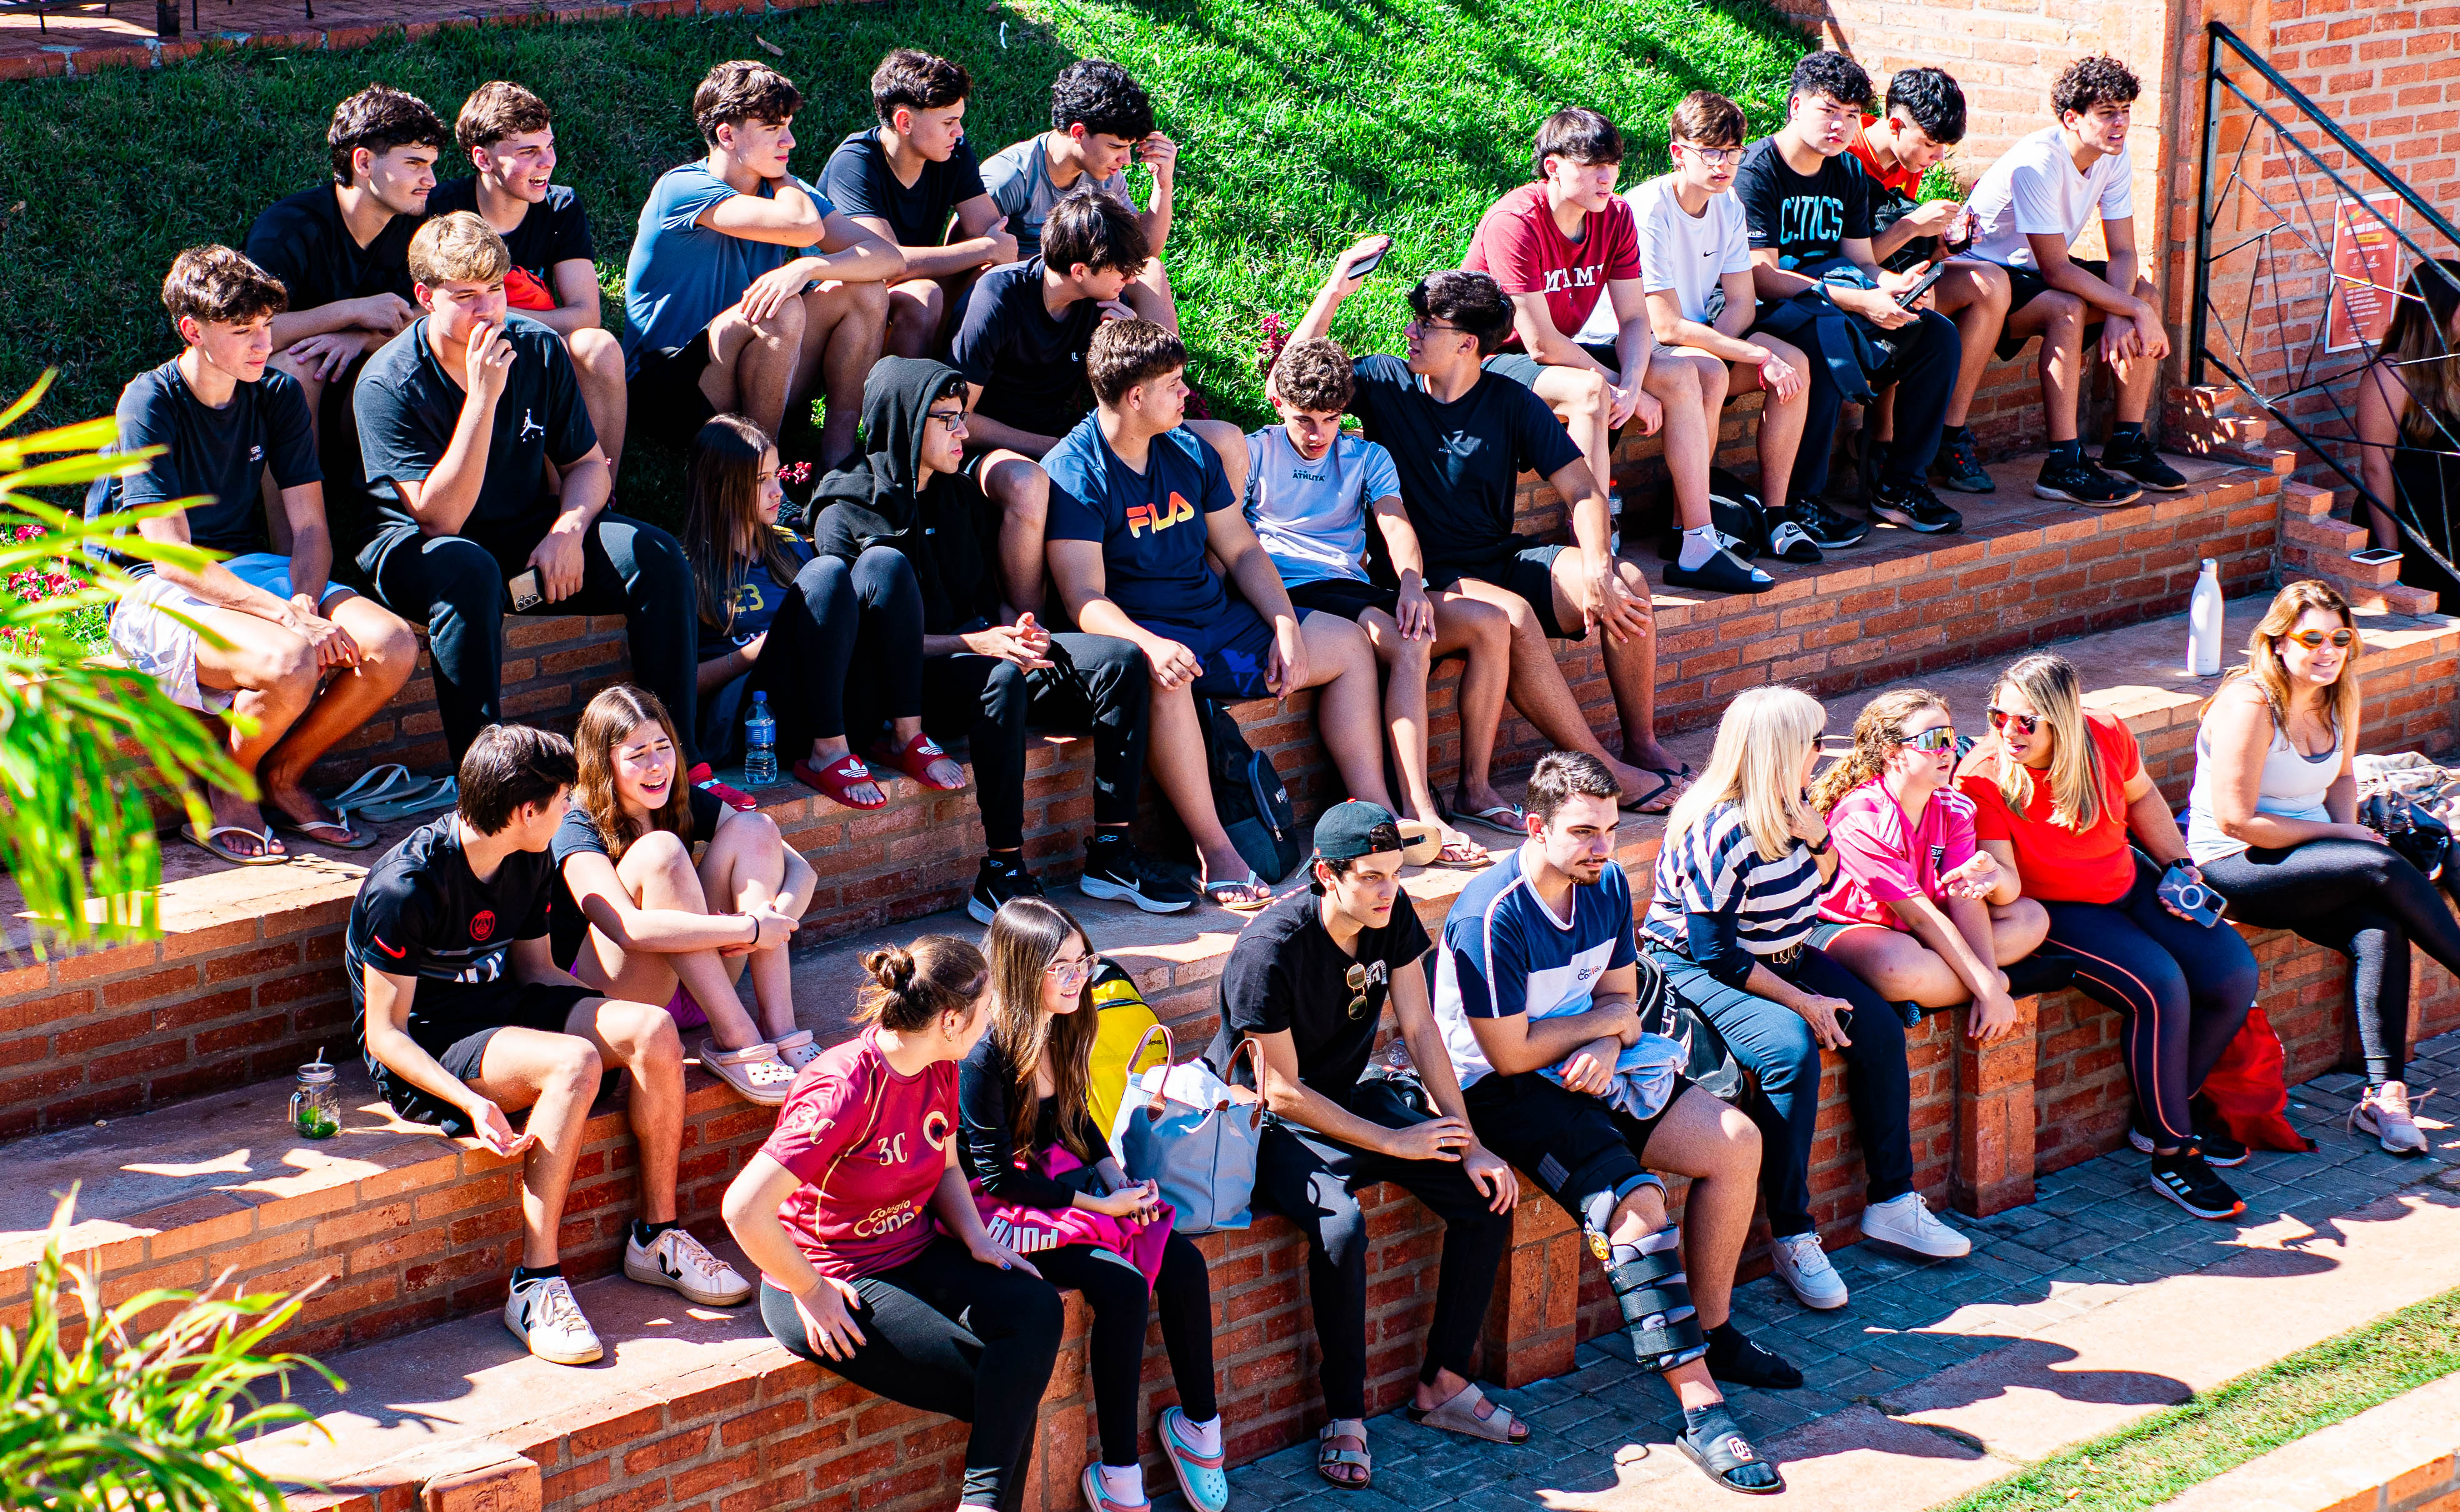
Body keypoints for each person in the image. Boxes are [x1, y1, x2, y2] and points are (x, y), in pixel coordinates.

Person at [1435, 750, 1796, 1496]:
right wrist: (1599, 1028)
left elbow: (1621, 1001)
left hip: (1588, 1063)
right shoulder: (1489, 913)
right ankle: (1701, 1406)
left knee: (1736, 1141)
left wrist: (1604, 1037)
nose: (1603, 844)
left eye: (1608, 826)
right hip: (1498, 1092)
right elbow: (1507, 1052)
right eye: (1583, 831)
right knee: (1637, 1204)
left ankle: (1716, 1333)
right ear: (1534, 828)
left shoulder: (1600, 884)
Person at [350, 724, 754, 1366]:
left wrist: (608, 1011)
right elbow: (385, 1033)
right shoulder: (407, 887)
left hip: (505, 1007)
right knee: (576, 1061)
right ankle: (534, 1282)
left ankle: (656, 1236)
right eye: (565, 798)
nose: (575, 809)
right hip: (435, 1040)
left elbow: (537, 972)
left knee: (651, 1030)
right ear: (525, 810)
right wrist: (469, 1100)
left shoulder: (529, 855)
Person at [1289, 249, 1690, 814]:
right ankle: (1601, 767)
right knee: (1513, 614)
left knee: (1628, 581)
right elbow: (1295, 377)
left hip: (1498, 557)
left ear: (1468, 343)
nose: (1410, 331)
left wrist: (1598, 565)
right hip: (1424, 577)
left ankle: (1641, 744)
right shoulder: (1384, 381)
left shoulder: (1509, 401)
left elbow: (1582, 490)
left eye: (1426, 324)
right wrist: (1334, 289)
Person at [809, 358, 1195, 920]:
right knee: (1001, 678)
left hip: (983, 655)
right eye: (947, 420)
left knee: (1118, 660)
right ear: (906, 421)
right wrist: (981, 645)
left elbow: (989, 602)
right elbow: (861, 647)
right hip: (911, 688)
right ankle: (1001, 870)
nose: (964, 432)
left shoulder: (960, 497)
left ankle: (1111, 850)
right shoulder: (846, 508)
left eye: (963, 417)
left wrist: (1018, 629)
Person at [1209, 802, 1525, 1489]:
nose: (1390, 890)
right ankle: (1345, 1416)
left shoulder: (1390, 913)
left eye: (1395, 874)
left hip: (1349, 1096)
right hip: (1267, 1121)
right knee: (1342, 1225)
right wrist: (1394, 1139)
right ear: (1326, 874)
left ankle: (1444, 1381)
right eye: (1373, 877)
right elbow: (1283, 1091)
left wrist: (1467, 1141)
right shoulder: (1269, 950)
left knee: (1485, 1194)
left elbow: (1419, 1028)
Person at [1643, 688, 1971, 1314]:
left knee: (1876, 1026)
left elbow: (1814, 885)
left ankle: (1893, 1202)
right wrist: (1803, 1001)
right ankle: (1792, 1233)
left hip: (1783, 948)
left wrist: (1819, 839)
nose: (1824, 753)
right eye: (1815, 742)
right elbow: (1718, 955)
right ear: (1781, 750)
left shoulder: (1792, 805)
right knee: (1792, 1049)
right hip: (1699, 964)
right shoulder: (1718, 827)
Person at [1044, 319, 1389, 911]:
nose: (1187, 394)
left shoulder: (1187, 450)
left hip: (1217, 619)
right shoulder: (1076, 471)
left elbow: (1242, 548)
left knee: (1348, 646)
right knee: (1165, 675)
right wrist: (1148, 646)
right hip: (1148, 633)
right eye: (1175, 385)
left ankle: (1369, 816)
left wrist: (1285, 625)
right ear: (1136, 397)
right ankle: (1217, 851)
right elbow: (1083, 599)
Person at [92, 245, 418, 863]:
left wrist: (300, 597)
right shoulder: (150, 401)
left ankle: (283, 775)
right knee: (292, 658)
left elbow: (311, 528)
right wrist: (287, 618)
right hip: (153, 586)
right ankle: (226, 785)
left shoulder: (276, 394)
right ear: (193, 331)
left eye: (266, 325)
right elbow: (172, 558)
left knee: (392, 644)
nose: (262, 343)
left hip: (244, 569)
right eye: (242, 330)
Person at [721, 937, 1059, 1512]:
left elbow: (946, 1160)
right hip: (832, 1276)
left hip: (912, 1249)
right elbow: (742, 1209)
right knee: (1000, 1387)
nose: (991, 1024)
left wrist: (975, 1236)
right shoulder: (844, 1090)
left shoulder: (939, 1065)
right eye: (984, 1014)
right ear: (951, 1020)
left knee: (1037, 1308)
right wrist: (811, 1289)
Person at [351, 212, 698, 767]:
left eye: (494, 290)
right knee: (470, 570)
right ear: (425, 297)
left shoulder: (537, 349)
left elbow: (587, 465)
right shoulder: (389, 382)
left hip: (522, 570)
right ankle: (485, 776)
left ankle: (681, 760)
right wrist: (483, 398)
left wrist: (567, 531)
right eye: (465, 296)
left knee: (654, 557)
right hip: (420, 556)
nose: (487, 310)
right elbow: (440, 520)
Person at [1956, 652, 2259, 1218]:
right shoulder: (1983, 776)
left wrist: (2179, 865)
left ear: (2063, 719)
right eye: (1999, 716)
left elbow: (2142, 797)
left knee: (2233, 975)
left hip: (2130, 881)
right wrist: (1991, 879)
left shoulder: (2106, 733)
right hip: (2060, 910)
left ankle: (2166, 1114)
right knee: (2161, 986)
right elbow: (2008, 882)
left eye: (2027, 721)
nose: (2009, 732)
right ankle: (2174, 1154)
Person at [962, 898, 1227, 1512]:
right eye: (1062, 966)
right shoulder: (985, 1053)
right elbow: (996, 1176)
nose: (1079, 976)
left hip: (1057, 1180)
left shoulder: (1068, 1021)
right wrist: (1100, 1205)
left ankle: (1200, 1430)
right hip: (995, 1207)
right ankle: (1119, 1472)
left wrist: (1119, 1183)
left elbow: (1076, 1118)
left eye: (1084, 961)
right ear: (1021, 969)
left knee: (1182, 1259)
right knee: (1124, 1286)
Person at [2188, 581, 2460, 1154]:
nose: (2328, 650)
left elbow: (2340, 778)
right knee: (2381, 869)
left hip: (2311, 859)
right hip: (2236, 865)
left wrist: (2344, 837)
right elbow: (2237, 821)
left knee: (2381, 930)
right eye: (2311, 638)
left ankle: (2384, 1097)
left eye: (2340, 637)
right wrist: (2344, 837)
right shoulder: (2252, 703)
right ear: (2277, 641)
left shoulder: (2339, 693)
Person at [1251, 337, 1508, 865]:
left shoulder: (1366, 455)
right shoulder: (1256, 450)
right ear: (1279, 405)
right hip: (1286, 586)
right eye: (1304, 419)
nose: (1318, 433)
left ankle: (1439, 801)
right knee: (1409, 642)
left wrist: (1413, 583)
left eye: (1330, 418)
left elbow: (1395, 523)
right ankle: (1412, 811)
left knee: (1445, 628)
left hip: (1349, 584)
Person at [949, 191, 1246, 616]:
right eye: (1119, 270)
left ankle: (1207, 589)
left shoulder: (1103, 302)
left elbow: (1143, 388)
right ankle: (1033, 622)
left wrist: (1130, 343)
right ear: (1079, 270)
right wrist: (1047, 445)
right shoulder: (1000, 298)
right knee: (1028, 485)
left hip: (1076, 435)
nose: (1129, 277)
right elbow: (960, 419)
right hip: (994, 447)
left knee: (1227, 440)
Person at [620, 59, 904, 469]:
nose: (789, 141)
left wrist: (807, 269)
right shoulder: (682, 188)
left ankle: (838, 466)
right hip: (668, 386)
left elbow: (887, 259)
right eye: (773, 129)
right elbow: (803, 228)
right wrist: (785, 184)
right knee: (782, 307)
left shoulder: (787, 192)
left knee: (864, 290)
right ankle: (757, 476)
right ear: (727, 135)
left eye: (788, 125)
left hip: (755, 366)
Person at [1736, 51, 1965, 540]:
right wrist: (1859, 301)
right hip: (1767, 308)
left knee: (1935, 336)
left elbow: (1862, 261)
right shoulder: (1758, 171)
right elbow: (1763, 277)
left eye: (1850, 115)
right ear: (1796, 106)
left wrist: (1893, 287)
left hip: (1834, 295)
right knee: (1821, 345)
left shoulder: (1848, 173)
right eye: (1828, 110)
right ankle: (1800, 499)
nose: (1840, 125)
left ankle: (1901, 486)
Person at [550, 684, 811, 1106]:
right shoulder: (574, 825)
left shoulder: (680, 800)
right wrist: (748, 928)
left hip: (698, 989)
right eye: (637, 756)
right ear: (603, 764)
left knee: (755, 827)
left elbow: (803, 870)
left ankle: (780, 1028)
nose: (657, 767)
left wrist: (774, 923)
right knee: (662, 851)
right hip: (621, 997)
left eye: (663, 747)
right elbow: (627, 929)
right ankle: (736, 1039)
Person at [1958, 54, 2184, 505]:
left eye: (2125, 111)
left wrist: (2128, 308)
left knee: (2148, 292)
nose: (2120, 123)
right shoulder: (2038, 162)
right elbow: (2055, 271)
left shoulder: (2112, 155)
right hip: (1988, 274)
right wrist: (2128, 309)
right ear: (2072, 118)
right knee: (2070, 307)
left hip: (2038, 269)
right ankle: (2062, 464)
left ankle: (2125, 445)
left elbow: (2123, 251)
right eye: (2107, 114)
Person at [1629, 91, 1817, 586]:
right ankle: (1688, 532)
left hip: (1694, 339)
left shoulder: (1728, 203)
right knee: (1707, 370)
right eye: (1709, 151)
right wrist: (1747, 352)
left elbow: (1743, 303)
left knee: (1792, 362)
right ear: (1678, 153)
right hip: (1634, 344)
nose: (1723, 164)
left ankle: (1776, 513)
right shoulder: (1648, 208)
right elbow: (1664, 325)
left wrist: (1721, 344)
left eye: (1732, 152)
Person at [1461, 109, 1670, 541]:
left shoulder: (1614, 215)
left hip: (1557, 353)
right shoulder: (1515, 223)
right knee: (1590, 391)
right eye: (1592, 166)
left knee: (1689, 373)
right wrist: (1619, 387)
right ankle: (1592, 540)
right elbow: (1540, 344)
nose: (1606, 177)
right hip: (1487, 358)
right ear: (1553, 167)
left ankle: (1695, 534)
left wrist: (1633, 385)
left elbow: (1634, 317)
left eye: (1612, 165)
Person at [428, 81, 629, 477]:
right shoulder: (443, 212)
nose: (547, 162)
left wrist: (504, 318)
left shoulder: (560, 206)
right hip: (463, 345)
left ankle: (603, 492)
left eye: (549, 146)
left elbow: (586, 315)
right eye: (528, 152)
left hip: (534, 342)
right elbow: (425, 309)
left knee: (599, 346)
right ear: (483, 160)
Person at [1808, 689, 2050, 1018]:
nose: (1948, 750)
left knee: (2031, 918)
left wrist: (1987, 982)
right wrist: (1991, 990)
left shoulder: (1955, 807)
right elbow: (1917, 915)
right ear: (1892, 754)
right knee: (1896, 967)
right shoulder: (1862, 817)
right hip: (1854, 926)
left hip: (1926, 924)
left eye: (1949, 736)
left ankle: (1945, 985)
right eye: (1932, 739)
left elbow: (1963, 896)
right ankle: (2009, 981)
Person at [1844, 68, 2010, 497]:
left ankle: (1946, 435)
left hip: (1888, 277)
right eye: (1931, 145)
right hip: (1844, 286)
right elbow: (1847, 260)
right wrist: (1911, 225)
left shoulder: (1905, 156)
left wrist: (1940, 249)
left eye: (1943, 148)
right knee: (1919, 310)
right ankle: (1879, 438)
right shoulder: (1846, 154)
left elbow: (1901, 250)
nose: (1936, 158)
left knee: (1990, 282)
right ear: (1896, 125)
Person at [246, 84, 443, 437]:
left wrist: (361, 338)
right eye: (415, 164)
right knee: (294, 368)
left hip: (377, 379)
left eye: (431, 165)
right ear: (364, 162)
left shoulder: (424, 221)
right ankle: (301, 493)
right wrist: (349, 312)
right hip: (301, 396)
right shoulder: (289, 229)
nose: (430, 180)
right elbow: (249, 333)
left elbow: (446, 309)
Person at [822, 49, 1020, 360]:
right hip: (850, 293)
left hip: (915, 277)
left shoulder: (953, 152)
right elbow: (885, 264)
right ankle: (903, 400)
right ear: (905, 122)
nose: (959, 132)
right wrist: (985, 248)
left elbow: (993, 233)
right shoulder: (855, 162)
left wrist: (992, 251)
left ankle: (961, 386)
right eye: (949, 122)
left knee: (992, 277)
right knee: (924, 296)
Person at [982, 58, 1179, 327]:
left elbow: (1141, 252)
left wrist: (1163, 185)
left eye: (1129, 147)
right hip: (1026, 305)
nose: (1127, 160)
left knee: (1151, 271)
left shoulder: (1105, 174)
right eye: (1115, 146)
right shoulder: (1008, 178)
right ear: (1078, 132)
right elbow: (971, 263)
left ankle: (1166, 367)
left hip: (1090, 286)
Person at [2354, 258, 2460, 612]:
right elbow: (2375, 468)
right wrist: (2391, 554)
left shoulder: (2454, 364)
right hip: (2411, 525)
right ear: (2440, 308)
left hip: (2451, 524)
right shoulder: (2391, 375)